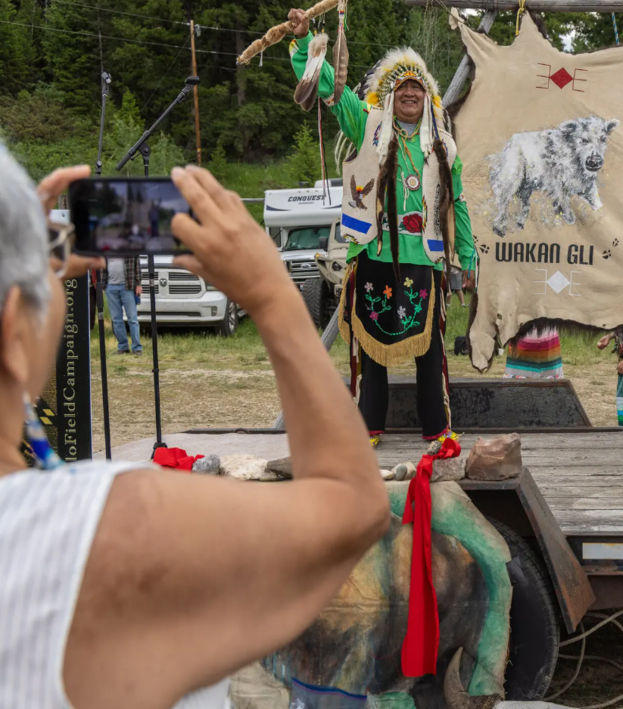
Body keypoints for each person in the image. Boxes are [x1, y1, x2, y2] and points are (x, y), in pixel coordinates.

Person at [0, 150, 389, 708]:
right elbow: (354, 509)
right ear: (14, 333)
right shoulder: (98, 536)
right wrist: (271, 295)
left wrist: (27, 261)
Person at [285, 9, 477, 447]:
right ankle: (368, 427)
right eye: (402, 87)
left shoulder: (443, 146)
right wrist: (304, 44)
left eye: (418, 88)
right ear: (388, 97)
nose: (410, 93)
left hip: (423, 258)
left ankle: (437, 429)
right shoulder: (368, 125)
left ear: (428, 98)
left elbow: (458, 208)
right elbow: (332, 88)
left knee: (430, 352)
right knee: (371, 350)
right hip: (372, 254)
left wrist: (466, 259)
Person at [99, 255, 143, 355]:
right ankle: (123, 347)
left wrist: (138, 284)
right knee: (116, 319)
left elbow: (137, 265)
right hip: (110, 287)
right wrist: (103, 284)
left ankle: (136, 348)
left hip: (127, 286)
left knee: (132, 318)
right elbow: (101, 265)